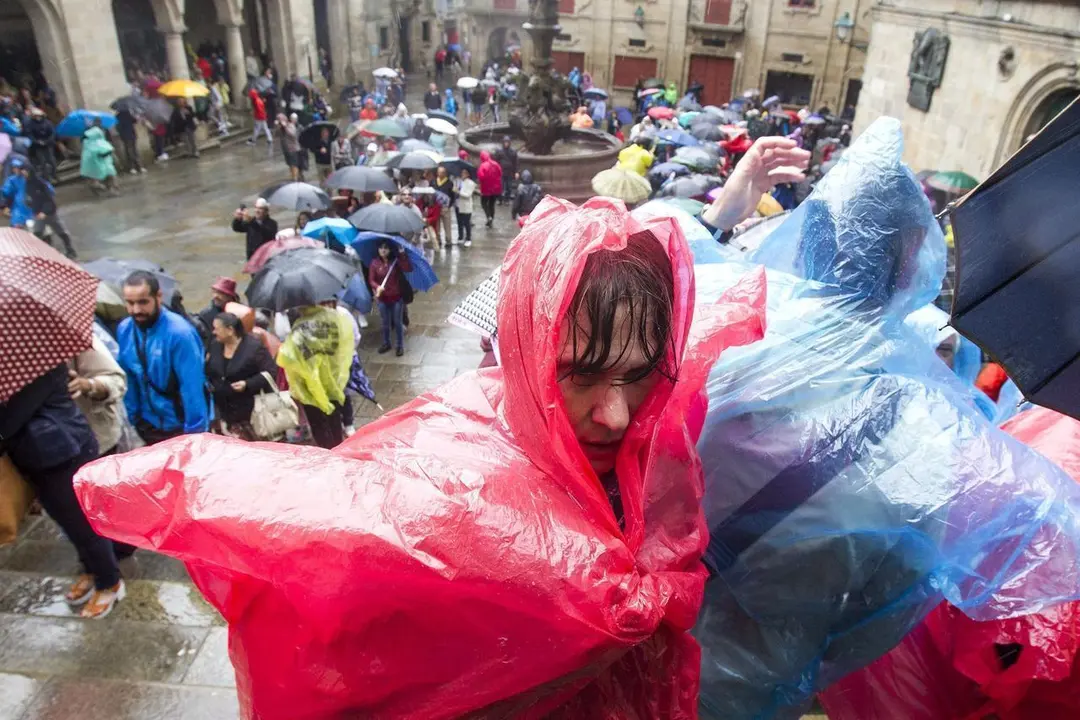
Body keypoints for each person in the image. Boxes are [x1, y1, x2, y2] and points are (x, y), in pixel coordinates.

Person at [1, 366, 125, 618]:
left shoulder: (32, 360)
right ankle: (91, 570)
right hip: (36, 456)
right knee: (65, 521)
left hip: (64, 452)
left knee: (83, 523)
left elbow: (11, 418)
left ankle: (110, 582)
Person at [117, 270, 209, 445]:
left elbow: (192, 388)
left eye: (143, 302)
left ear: (158, 297)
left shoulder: (180, 334)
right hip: (147, 424)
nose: (136, 310)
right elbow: (128, 378)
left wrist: (194, 438)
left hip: (180, 426)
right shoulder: (125, 329)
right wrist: (134, 418)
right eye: (130, 303)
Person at [277, 303, 354, 449]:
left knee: (318, 423)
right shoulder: (332, 321)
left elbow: (291, 361)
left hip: (309, 389)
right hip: (331, 382)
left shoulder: (299, 334)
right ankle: (338, 448)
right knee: (334, 419)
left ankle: (327, 451)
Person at [206, 312, 278, 440]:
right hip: (225, 414)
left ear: (230, 330)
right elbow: (210, 372)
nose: (213, 332)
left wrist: (248, 384)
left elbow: (271, 371)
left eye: (217, 328)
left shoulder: (253, 347)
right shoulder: (215, 346)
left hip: (253, 413)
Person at [69, 333, 128, 456]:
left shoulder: (71, 335)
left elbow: (116, 382)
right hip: (52, 455)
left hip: (99, 441)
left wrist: (89, 385)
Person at [368, 239, 412, 356]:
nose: (383, 250)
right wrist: (377, 287)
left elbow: (407, 268)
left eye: (385, 248)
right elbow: (371, 280)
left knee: (397, 322)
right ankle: (386, 343)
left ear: (390, 250)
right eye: (381, 248)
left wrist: (402, 254)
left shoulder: (395, 262)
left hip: (396, 298)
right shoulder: (374, 263)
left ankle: (399, 345)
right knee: (385, 322)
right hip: (382, 299)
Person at [23, 163, 77, 258]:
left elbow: (49, 200)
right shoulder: (27, 184)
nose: (23, 173)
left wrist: (44, 212)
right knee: (38, 233)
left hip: (49, 213)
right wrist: (30, 204)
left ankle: (70, 250)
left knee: (61, 231)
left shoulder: (41, 183)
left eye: (24, 170)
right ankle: (42, 253)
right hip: (37, 213)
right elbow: (31, 198)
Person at [80, 123, 119, 195]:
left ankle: (100, 186)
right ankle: (110, 189)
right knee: (110, 176)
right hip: (104, 164)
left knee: (97, 177)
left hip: (95, 166)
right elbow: (107, 151)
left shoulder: (87, 143)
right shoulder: (99, 142)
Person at [25, 106, 56, 181]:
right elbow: (30, 135)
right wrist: (37, 141)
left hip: (48, 144)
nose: (37, 117)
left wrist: (47, 141)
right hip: (38, 146)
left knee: (52, 161)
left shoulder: (47, 122)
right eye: (36, 115)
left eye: (38, 115)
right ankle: (47, 178)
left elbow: (52, 133)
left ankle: (54, 175)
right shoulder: (31, 124)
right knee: (43, 163)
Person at [1, 155, 32, 228]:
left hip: (30, 205)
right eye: (14, 168)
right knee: (17, 227)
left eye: (18, 168)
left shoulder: (31, 178)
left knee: (37, 228)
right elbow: (6, 192)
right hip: (18, 207)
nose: (16, 170)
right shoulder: (11, 180)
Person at [115, 102, 145, 174]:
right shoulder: (128, 114)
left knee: (129, 151)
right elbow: (134, 121)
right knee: (134, 150)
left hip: (125, 135)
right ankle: (139, 166)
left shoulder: (117, 116)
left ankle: (132, 167)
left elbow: (118, 127)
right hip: (131, 134)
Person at [477, 150, 502, 228]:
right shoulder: (496, 164)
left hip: (485, 189)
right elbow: (500, 173)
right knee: (492, 204)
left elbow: (481, 176)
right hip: (495, 189)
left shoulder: (483, 166)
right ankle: (491, 219)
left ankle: (488, 217)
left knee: (484, 203)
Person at [433, 165, 456, 247]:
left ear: (445, 173)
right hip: (436, 207)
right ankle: (438, 240)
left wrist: (449, 206)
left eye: (442, 172)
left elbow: (453, 196)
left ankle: (448, 240)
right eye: (439, 172)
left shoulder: (450, 183)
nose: (440, 174)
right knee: (437, 225)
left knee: (447, 225)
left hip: (445, 207)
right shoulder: (434, 182)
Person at [455, 166, 475, 247]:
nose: (462, 174)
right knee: (459, 222)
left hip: (466, 206)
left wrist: (458, 192)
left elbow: (468, 195)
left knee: (466, 223)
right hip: (458, 205)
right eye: (462, 172)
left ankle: (468, 238)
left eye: (465, 173)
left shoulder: (471, 183)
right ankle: (460, 237)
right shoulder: (458, 181)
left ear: (468, 174)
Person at [278, 113, 302, 181]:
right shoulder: (281, 128)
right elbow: (275, 135)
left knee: (294, 164)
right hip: (286, 150)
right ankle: (293, 176)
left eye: (280, 120)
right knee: (290, 164)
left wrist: (285, 127)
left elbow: (293, 135)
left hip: (293, 149)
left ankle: (295, 179)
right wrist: (278, 127)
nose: (280, 122)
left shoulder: (290, 125)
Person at [494, 135, 518, 204]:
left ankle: (507, 200)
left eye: (507, 142)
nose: (506, 144)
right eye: (505, 142)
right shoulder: (499, 151)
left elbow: (516, 162)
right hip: (501, 172)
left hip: (509, 172)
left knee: (509, 187)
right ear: (503, 142)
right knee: (500, 186)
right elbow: (496, 161)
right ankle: (499, 199)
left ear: (509, 143)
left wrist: (516, 172)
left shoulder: (513, 152)